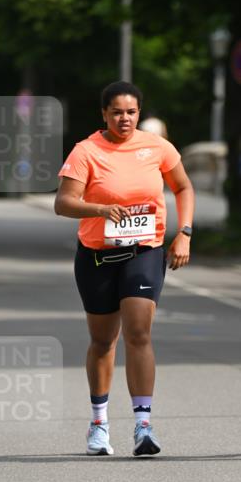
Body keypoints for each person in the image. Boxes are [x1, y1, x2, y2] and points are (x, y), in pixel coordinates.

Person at [54, 80, 194, 457]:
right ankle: (99, 424)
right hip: (97, 255)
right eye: (117, 112)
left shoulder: (156, 147)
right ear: (104, 114)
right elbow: (64, 203)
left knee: (138, 332)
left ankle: (143, 426)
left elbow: (183, 187)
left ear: (140, 113)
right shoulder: (86, 151)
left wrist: (184, 232)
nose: (125, 118)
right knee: (103, 341)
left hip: (144, 251)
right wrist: (99, 210)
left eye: (131, 112)